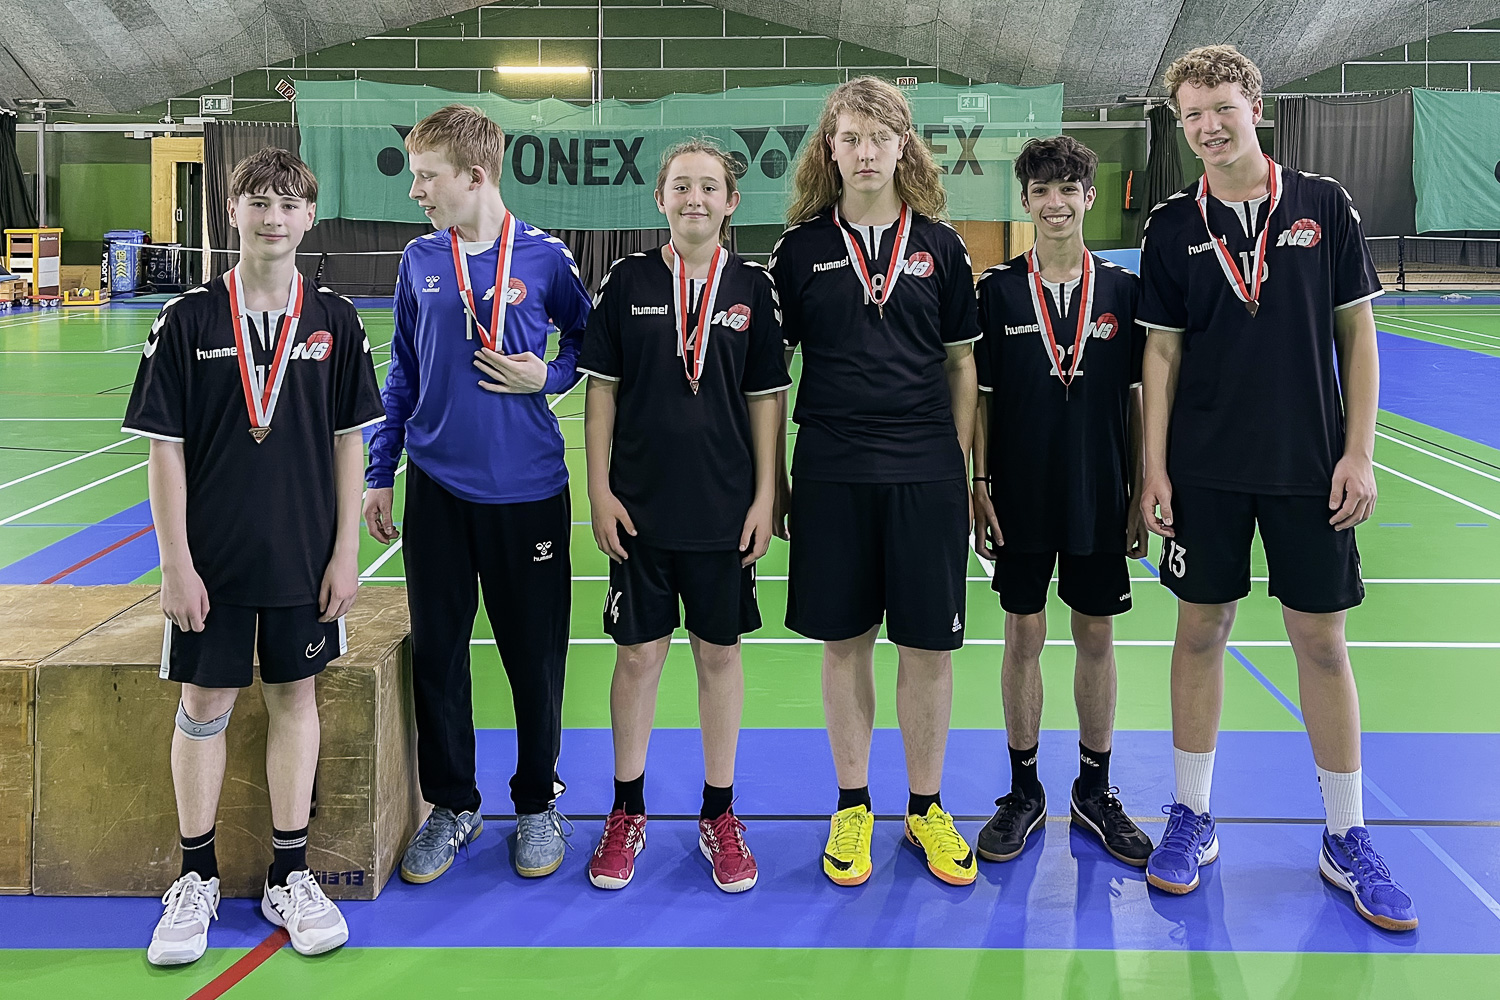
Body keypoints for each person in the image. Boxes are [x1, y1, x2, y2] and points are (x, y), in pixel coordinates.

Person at [1137, 45, 1417, 931]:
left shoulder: (1323, 204)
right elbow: (1161, 353)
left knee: (1322, 646)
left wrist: (1359, 453)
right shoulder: (1173, 222)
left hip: (1309, 466)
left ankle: (1347, 834)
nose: (1209, 126)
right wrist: (1153, 468)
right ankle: (1190, 814)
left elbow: (1358, 338)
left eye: (1221, 106)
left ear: (1255, 106)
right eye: (1191, 115)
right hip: (1206, 470)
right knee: (1198, 634)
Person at [125, 147, 384, 964]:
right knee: (205, 706)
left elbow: (352, 445)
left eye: (287, 202)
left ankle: (290, 870)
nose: (272, 215)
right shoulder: (190, 318)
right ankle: (195, 876)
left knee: (294, 701)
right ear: (230, 212)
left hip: (305, 561)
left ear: (309, 217)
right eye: (256, 200)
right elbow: (163, 449)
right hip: (213, 563)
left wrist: (346, 553)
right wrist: (176, 565)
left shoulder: (336, 320)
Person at [363, 104, 592, 883]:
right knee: (438, 652)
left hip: (529, 490)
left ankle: (537, 800)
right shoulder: (418, 260)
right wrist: (379, 471)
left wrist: (548, 377)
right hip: (436, 489)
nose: (416, 191)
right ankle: (452, 804)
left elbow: (589, 346)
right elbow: (401, 373)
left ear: (475, 175)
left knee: (535, 657)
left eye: (427, 177)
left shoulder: (547, 259)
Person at [771, 76, 981, 887]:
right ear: (831, 148)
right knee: (845, 644)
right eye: (849, 137)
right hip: (830, 469)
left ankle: (925, 808)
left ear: (904, 145)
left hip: (926, 470)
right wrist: (775, 478)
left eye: (878, 136)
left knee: (928, 648)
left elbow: (962, 364)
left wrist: (959, 469)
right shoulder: (797, 250)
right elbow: (770, 380)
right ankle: (853, 806)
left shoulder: (943, 246)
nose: (864, 151)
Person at [578, 139, 790, 893]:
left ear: (732, 201)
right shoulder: (626, 280)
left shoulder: (754, 288)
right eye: (680, 186)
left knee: (718, 654)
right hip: (638, 513)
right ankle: (627, 809)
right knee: (637, 656)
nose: (694, 198)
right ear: (660, 198)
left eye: (709, 187)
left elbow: (769, 400)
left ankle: (718, 812)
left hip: (726, 513)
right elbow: (599, 395)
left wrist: (770, 496)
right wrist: (598, 491)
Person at [971, 135, 1153, 868]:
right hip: (1017, 495)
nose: (1055, 203)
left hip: (1100, 493)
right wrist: (979, 487)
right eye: (1041, 191)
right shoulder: (997, 291)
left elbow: (1141, 399)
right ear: (1025, 201)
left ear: (1088, 196)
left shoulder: (1123, 291)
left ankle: (1095, 789)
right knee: (1021, 636)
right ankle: (1023, 791)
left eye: (1068, 189)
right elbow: (979, 404)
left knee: (1097, 637)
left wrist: (1142, 488)